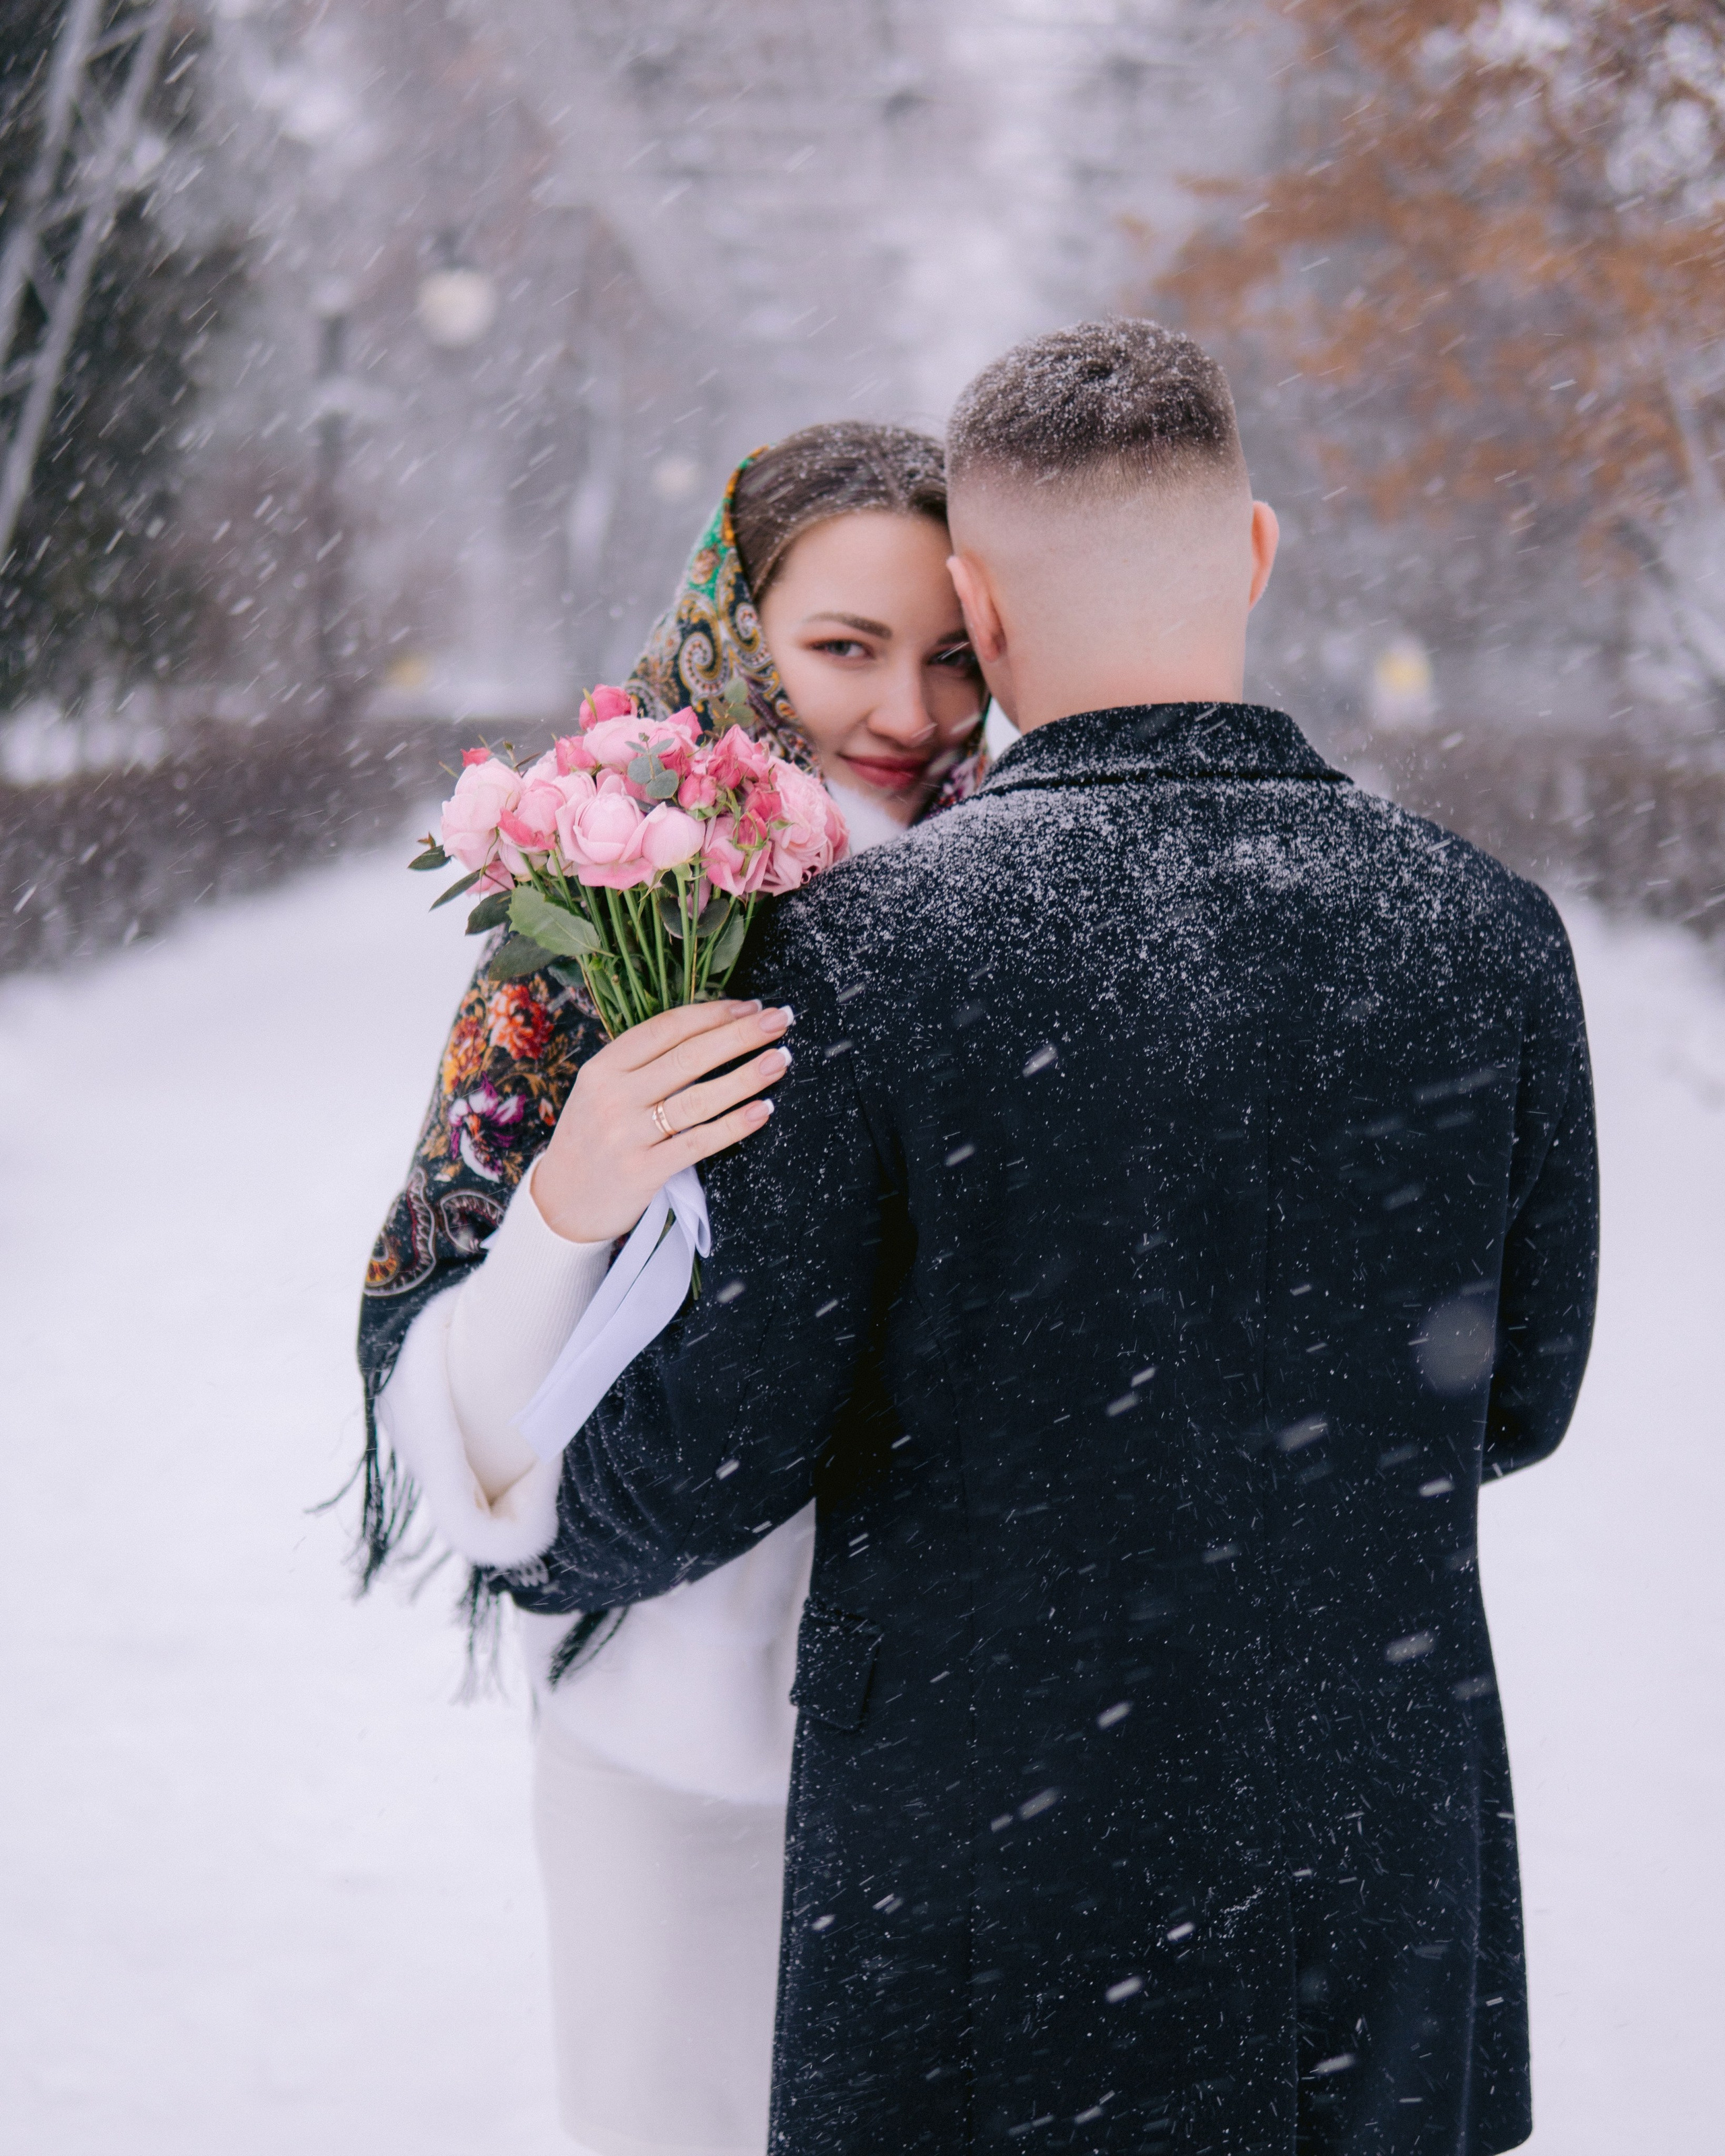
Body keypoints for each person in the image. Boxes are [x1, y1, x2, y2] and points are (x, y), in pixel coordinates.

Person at [497, 321, 1599, 2155]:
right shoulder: (1484, 933)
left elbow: (705, 1459)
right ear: (1254, 554)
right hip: (1363, 1899)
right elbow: (1518, 1398)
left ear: (982, 611)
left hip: (983, 1925)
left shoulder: (863, 959)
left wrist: (528, 1503)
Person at [355, 422, 986, 2156]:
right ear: (732, 627)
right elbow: (475, 1438)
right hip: (672, 1740)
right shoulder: (603, 914)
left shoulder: (1023, 912)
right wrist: (571, 1199)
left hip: (971, 1744)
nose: (911, 711)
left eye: (952, 654)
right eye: (845, 646)